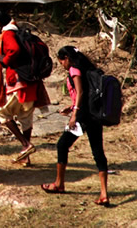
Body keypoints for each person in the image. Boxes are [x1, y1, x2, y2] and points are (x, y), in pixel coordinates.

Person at [41, 45, 111, 207]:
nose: (63, 65)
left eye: (61, 62)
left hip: (83, 116)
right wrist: (71, 107)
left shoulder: (74, 70)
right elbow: (86, 94)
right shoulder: (88, 69)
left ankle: (59, 184)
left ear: (66, 58)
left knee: (62, 145)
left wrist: (74, 114)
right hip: (94, 115)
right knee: (98, 152)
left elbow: (80, 92)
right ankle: (104, 193)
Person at [0, 9, 50, 165]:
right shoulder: (19, 33)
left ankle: (26, 145)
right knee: (25, 118)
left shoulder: (8, 34)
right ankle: (26, 156)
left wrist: (5, 60)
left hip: (19, 83)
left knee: (3, 114)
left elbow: (14, 50)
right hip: (31, 82)